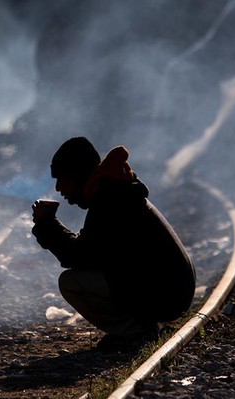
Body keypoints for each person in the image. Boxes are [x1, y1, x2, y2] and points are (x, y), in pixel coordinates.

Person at [31, 136, 196, 351]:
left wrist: (47, 224)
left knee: (72, 283)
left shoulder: (111, 200)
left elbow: (79, 256)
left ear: (79, 175)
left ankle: (136, 331)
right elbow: (91, 249)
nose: (59, 188)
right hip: (171, 288)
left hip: (167, 293)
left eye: (62, 179)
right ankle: (137, 328)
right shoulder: (113, 191)